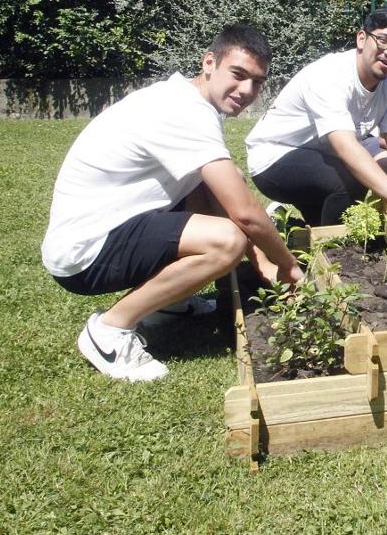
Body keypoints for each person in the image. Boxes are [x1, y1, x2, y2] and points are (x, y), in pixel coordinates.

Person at [42, 24, 304, 382]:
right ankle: (109, 330)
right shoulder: (186, 111)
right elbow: (244, 212)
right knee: (227, 240)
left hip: (114, 226)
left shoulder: (185, 99)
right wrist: (286, 265)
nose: (246, 90)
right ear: (209, 62)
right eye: (238, 74)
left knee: (225, 194)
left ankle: (172, 304)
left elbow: (209, 194)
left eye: (257, 82)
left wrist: (259, 261)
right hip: (84, 252)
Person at [247, 7, 387, 231]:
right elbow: (346, 147)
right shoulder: (330, 75)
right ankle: (333, 255)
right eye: (383, 40)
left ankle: (289, 228)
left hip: (319, 158)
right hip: (273, 157)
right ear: (362, 39)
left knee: (317, 226)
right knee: (350, 181)